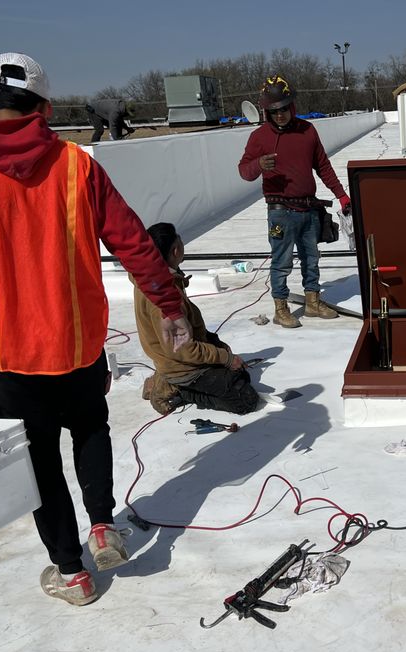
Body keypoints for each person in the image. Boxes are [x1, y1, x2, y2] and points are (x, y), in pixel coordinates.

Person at [0, 52, 192, 607]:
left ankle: (71, 572)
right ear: (45, 107)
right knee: (91, 430)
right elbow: (133, 243)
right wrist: (169, 304)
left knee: (39, 460)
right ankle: (103, 526)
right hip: (78, 346)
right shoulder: (77, 164)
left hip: (8, 356)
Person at [238, 74, 350, 328]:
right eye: (274, 111)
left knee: (311, 258)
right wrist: (258, 164)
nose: (280, 115)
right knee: (282, 260)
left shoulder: (307, 130)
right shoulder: (259, 137)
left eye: (284, 109)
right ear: (267, 112)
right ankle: (281, 308)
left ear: (292, 107)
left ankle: (312, 302)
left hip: (308, 208)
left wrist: (341, 195)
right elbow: (243, 170)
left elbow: (323, 166)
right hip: (280, 212)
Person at [136, 222, 260, 416]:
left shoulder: (153, 277)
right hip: (180, 365)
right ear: (175, 250)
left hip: (176, 353)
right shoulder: (164, 298)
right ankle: (180, 389)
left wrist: (219, 350)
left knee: (237, 368)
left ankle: (169, 379)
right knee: (246, 400)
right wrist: (225, 359)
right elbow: (184, 350)